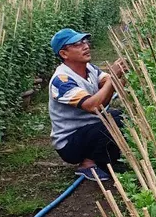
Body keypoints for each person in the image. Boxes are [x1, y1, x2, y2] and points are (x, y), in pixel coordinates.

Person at [48, 28, 126, 182]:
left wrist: (121, 75)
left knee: (120, 116)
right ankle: (87, 164)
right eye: (77, 44)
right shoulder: (61, 80)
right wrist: (113, 79)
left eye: (85, 41)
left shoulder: (89, 69)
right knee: (113, 122)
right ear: (64, 54)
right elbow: (93, 106)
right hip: (70, 142)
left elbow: (108, 84)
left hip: (89, 130)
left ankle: (106, 162)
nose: (85, 46)